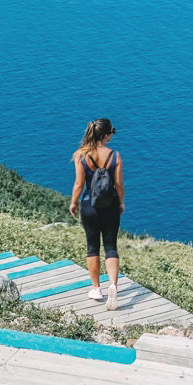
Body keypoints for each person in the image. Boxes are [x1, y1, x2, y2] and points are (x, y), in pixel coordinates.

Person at [69, 118, 124, 311]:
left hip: (89, 206)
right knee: (111, 246)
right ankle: (114, 286)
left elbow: (78, 184)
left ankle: (96, 288)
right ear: (106, 135)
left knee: (92, 246)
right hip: (110, 206)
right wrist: (122, 202)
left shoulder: (81, 155)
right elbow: (118, 184)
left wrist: (74, 203)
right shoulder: (115, 156)